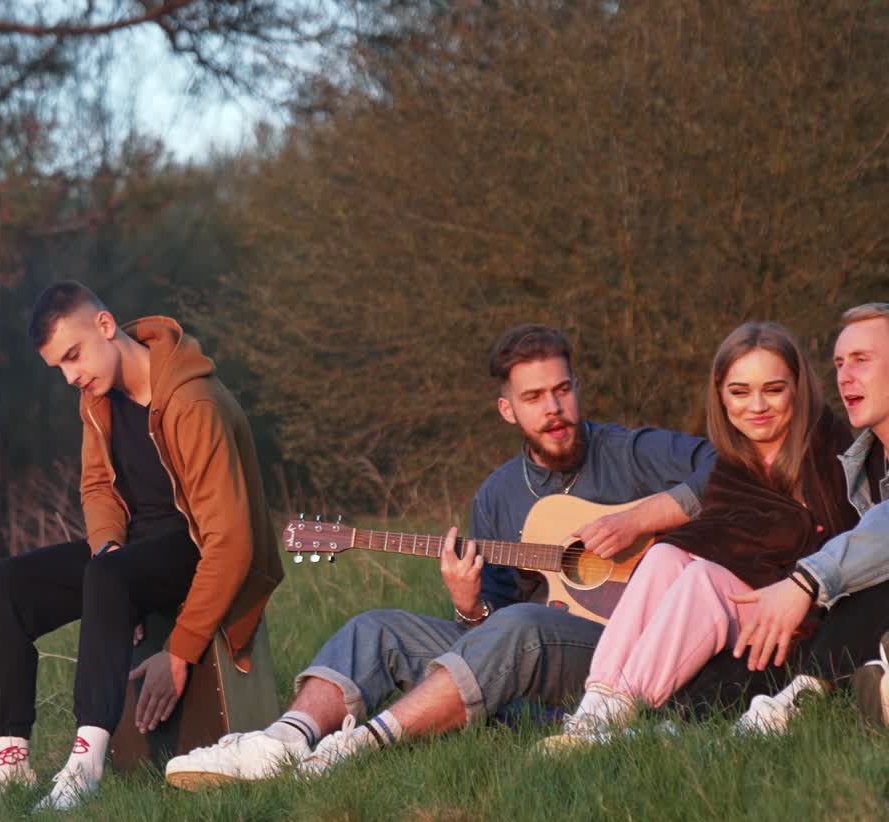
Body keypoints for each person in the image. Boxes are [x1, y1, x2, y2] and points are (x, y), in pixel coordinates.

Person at [163, 324, 715, 789]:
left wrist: (639, 520)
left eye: (562, 390)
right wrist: (468, 605)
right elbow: (489, 633)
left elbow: (727, 466)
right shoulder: (498, 495)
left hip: (624, 653)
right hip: (535, 659)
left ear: (577, 388)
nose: (554, 409)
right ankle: (284, 740)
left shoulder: (630, 453)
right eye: (533, 398)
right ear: (507, 410)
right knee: (375, 628)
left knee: (524, 624)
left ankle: (359, 747)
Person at [0, 281, 282, 809]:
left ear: (106, 326)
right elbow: (97, 487)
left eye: (73, 356)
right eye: (59, 368)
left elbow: (232, 544)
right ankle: (11, 764)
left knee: (109, 575)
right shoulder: (97, 401)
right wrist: (109, 549)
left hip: (199, 549)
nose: (71, 376)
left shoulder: (192, 401)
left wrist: (179, 651)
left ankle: (84, 767)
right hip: (134, 556)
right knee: (4, 586)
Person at [542, 321, 856, 747]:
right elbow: (713, 529)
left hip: (796, 613)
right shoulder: (733, 462)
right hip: (747, 599)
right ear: (721, 395)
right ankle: (595, 706)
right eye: (740, 392)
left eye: (773, 389)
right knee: (664, 556)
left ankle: (624, 705)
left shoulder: (827, 449)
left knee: (703, 579)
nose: (757, 406)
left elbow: (832, 541)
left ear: (798, 388)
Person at [674, 303, 889, 731]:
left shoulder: (833, 451)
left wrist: (805, 582)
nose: (845, 376)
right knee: (759, 643)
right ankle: (674, 719)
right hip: (855, 625)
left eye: (861, 360)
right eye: (839, 363)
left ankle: (802, 698)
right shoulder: (861, 462)